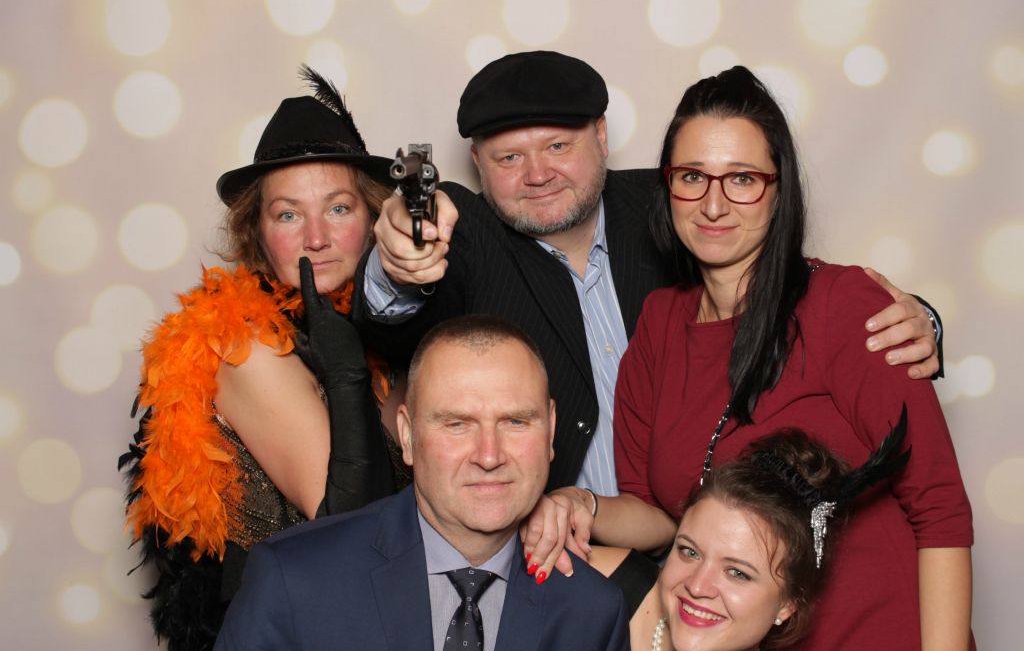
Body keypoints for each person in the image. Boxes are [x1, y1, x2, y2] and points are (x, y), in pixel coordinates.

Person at [355, 51, 942, 555]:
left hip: (731, 546)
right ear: (477, 164)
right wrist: (396, 266)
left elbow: (782, 282)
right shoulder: (467, 234)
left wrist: (912, 321)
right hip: (566, 558)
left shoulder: (681, 202)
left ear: (602, 137)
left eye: (558, 145)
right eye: (509, 158)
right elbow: (387, 319)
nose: (537, 174)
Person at [529, 66, 974, 649]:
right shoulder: (660, 322)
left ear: (779, 190)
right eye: (693, 177)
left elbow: (940, 512)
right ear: (668, 187)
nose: (713, 205)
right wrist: (576, 503)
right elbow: (660, 514)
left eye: (742, 179)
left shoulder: (845, 306)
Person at [120, 66, 402, 650]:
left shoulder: (387, 328)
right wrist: (347, 372)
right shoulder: (243, 344)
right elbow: (355, 532)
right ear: (258, 232)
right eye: (288, 214)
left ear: (374, 218)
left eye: (339, 208)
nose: (316, 237)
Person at [214, 315, 629, 650]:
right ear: (409, 436)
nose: (489, 456)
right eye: (457, 424)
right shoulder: (295, 579)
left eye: (516, 422)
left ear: (551, 430)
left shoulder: (591, 612)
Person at [590, 416, 911, 651]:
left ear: (787, 605)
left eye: (737, 573)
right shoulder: (600, 583)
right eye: (689, 552)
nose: (697, 586)